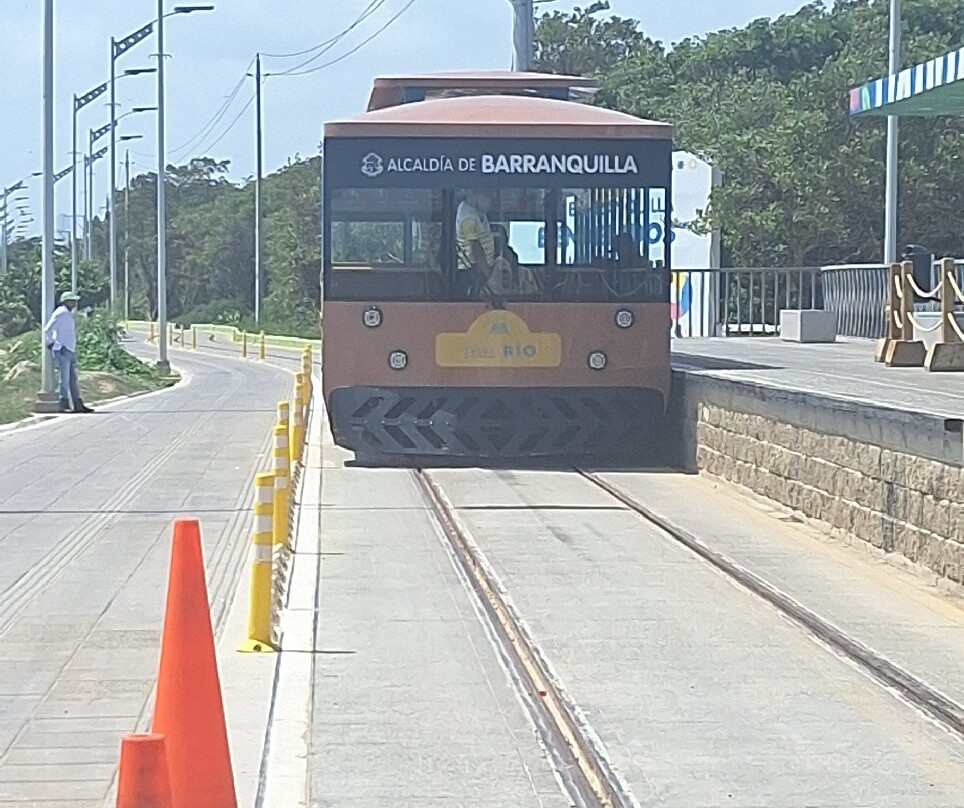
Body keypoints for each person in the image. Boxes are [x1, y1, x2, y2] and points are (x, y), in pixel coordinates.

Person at [43, 291, 93, 413]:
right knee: (63, 378)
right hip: (62, 349)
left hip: (70, 349)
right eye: (72, 301)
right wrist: (50, 343)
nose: (75, 303)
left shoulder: (69, 314)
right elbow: (47, 330)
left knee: (72, 379)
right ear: (65, 301)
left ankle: (77, 403)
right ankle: (63, 402)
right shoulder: (60, 313)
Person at [456, 191, 497, 298]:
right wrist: (487, 272)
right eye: (490, 198)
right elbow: (475, 246)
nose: (492, 203)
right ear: (476, 194)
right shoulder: (468, 219)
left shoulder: (477, 211)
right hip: (472, 271)